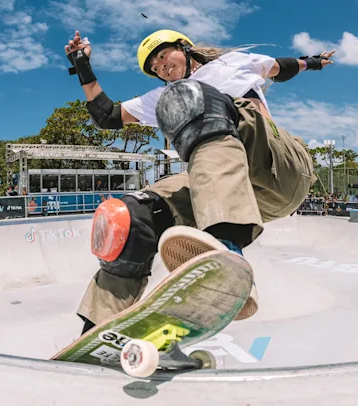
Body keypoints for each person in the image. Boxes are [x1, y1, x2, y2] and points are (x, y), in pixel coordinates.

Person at [65, 29, 334, 334]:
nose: (161, 66)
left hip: (280, 168)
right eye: (155, 66)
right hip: (232, 192)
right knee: (136, 214)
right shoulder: (162, 96)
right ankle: (100, 330)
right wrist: (82, 66)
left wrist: (312, 62)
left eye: (164, 55)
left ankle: (226, 254)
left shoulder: (232, 64)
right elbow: (107, 115)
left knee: (191, 97)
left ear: (185, 48)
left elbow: (281, 67)